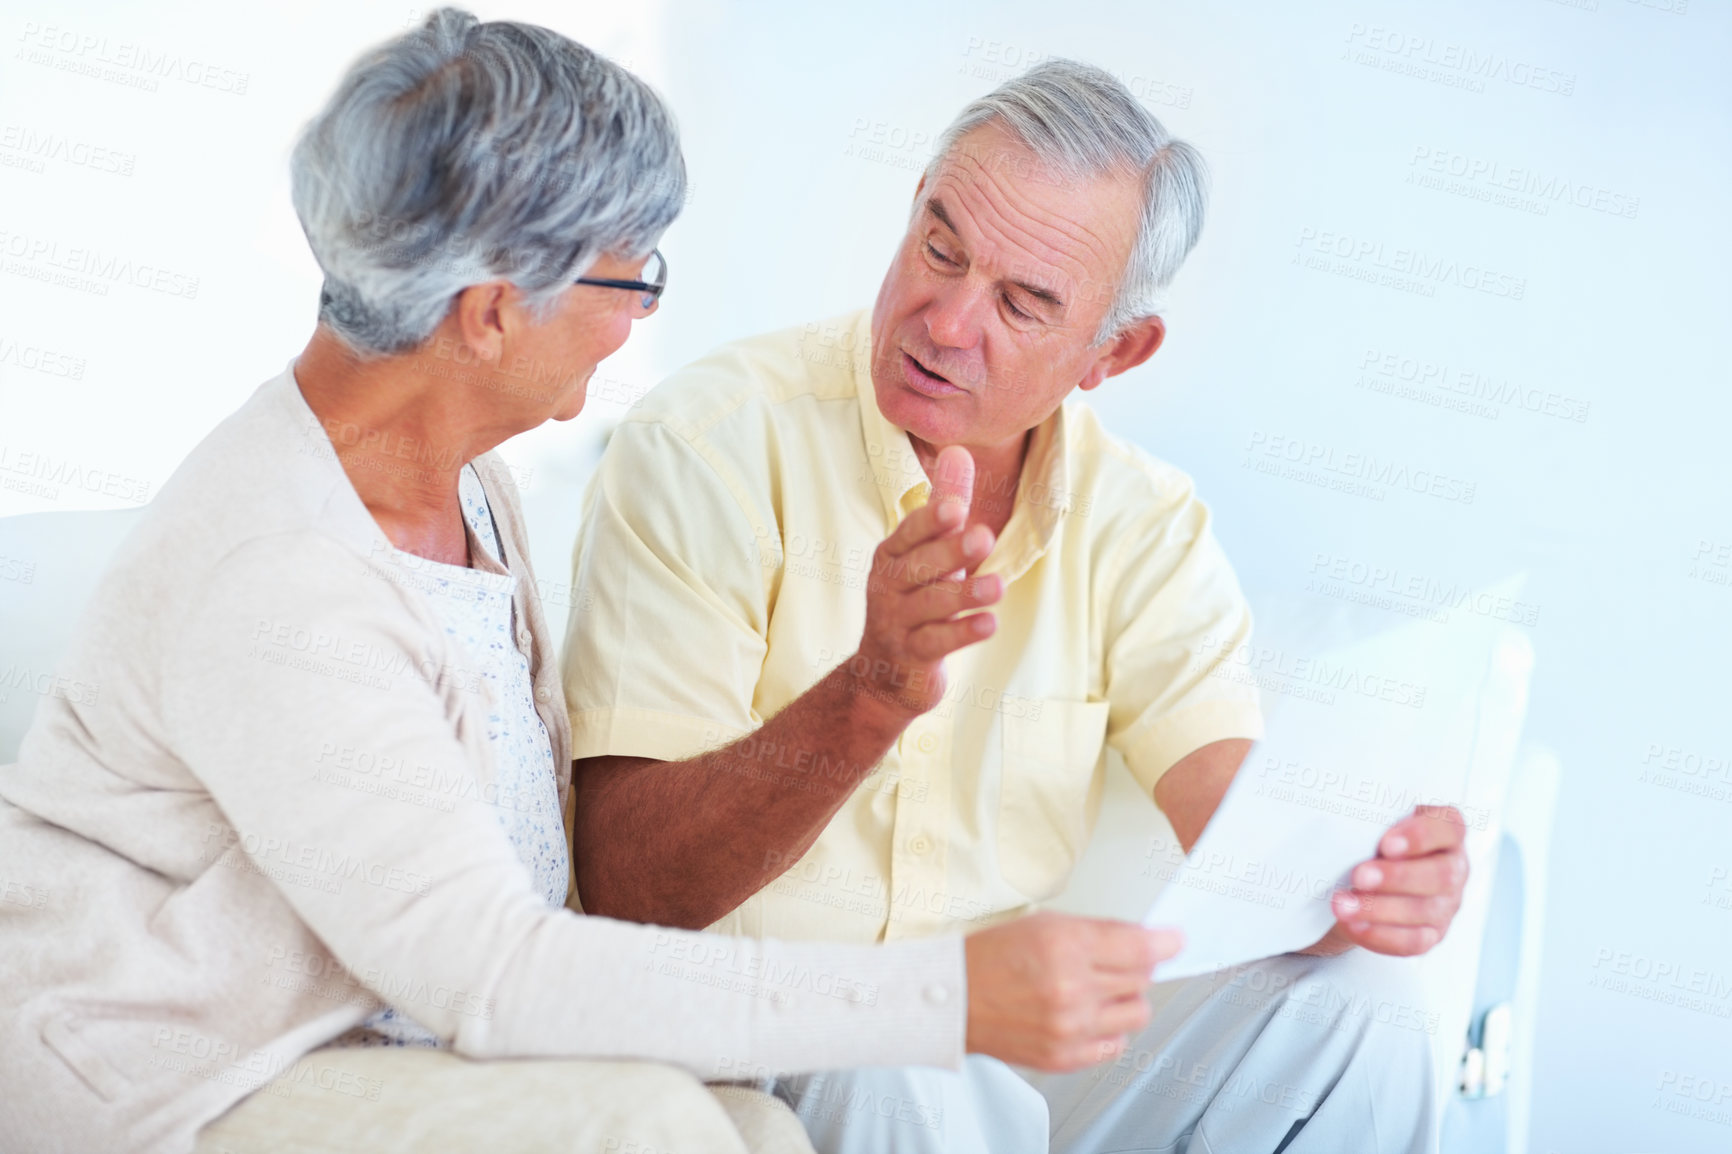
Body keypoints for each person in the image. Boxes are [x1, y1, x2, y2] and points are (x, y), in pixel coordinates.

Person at [0, 17, 1183, 1154]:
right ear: (493, 312)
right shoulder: (282, 579)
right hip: (182, 1084)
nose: (638, 325)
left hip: (379, 1040)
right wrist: (939, 997)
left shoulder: (461, 487)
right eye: (629, 283)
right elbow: (500, 971)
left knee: (761, 1126)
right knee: (653, 1130)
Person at [562, 59, 1470, 1153]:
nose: (944, 322)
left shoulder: (1141, 520)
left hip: (995, 1075)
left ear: (1113, 352)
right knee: (892, 1040)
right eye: (939, 249)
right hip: (759, 1042)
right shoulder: (705, 445)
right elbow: (626, 888)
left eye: (1022, 302)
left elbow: (1245, 841)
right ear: (910, 215)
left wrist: (1365, 891)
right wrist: (872, 692)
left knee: (1365, 1009)